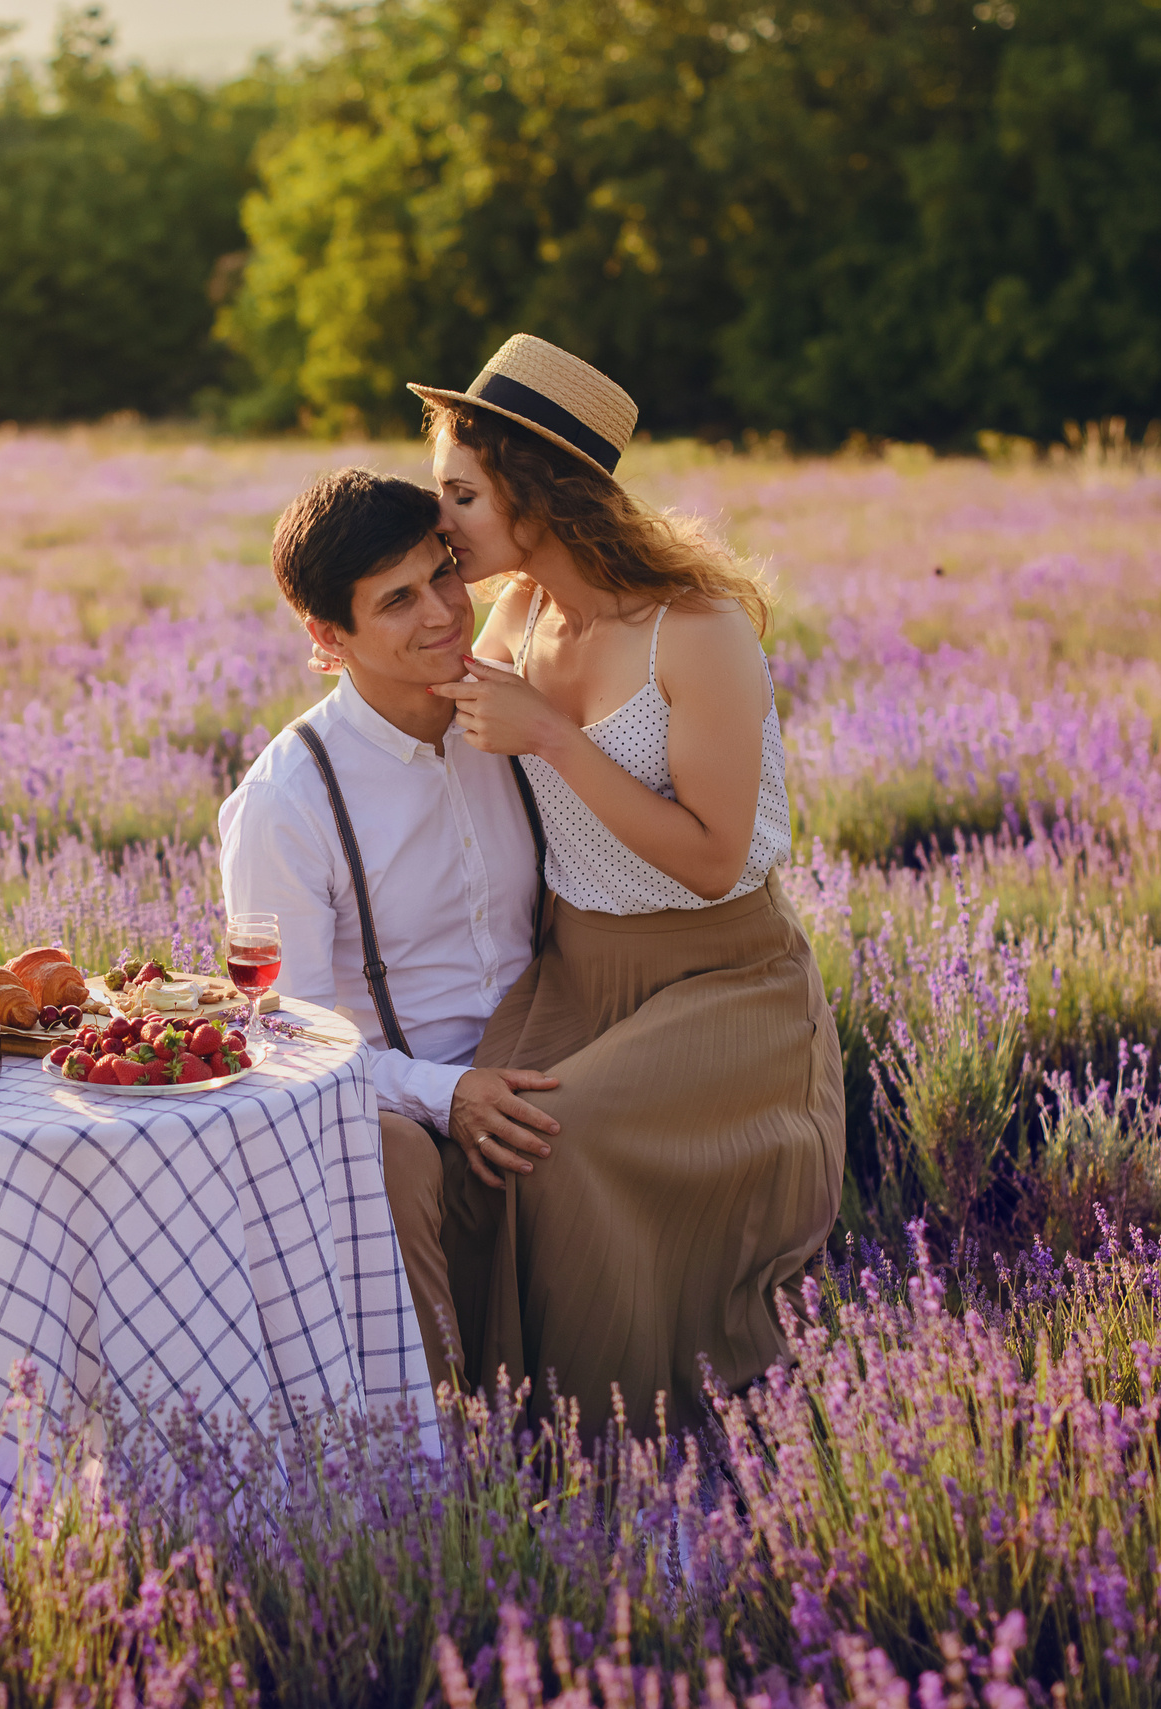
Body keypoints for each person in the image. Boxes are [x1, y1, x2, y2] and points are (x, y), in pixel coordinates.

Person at [410, 333, 845, 1434]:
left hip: (721, 983)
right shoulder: (515, 615)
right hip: (572, 971)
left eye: (460, 494)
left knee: (558, 1146)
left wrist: (554, 736)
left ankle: (605, 1443)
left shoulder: (691, 633)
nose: (442, 521)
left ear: (536, 492)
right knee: (473, 1145)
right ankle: (482, 1429)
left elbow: (710, 857)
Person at [216, 467, 563, 1389]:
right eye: (398, 600)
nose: (445, 611)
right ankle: (432, 1460)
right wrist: (444, 1093)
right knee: (393, 1151)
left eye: (442, 573)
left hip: (540, 1050)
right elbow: (282, 1038)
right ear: (329, 638)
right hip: (389, 1098)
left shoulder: (512, 718)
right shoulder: (288, 801)